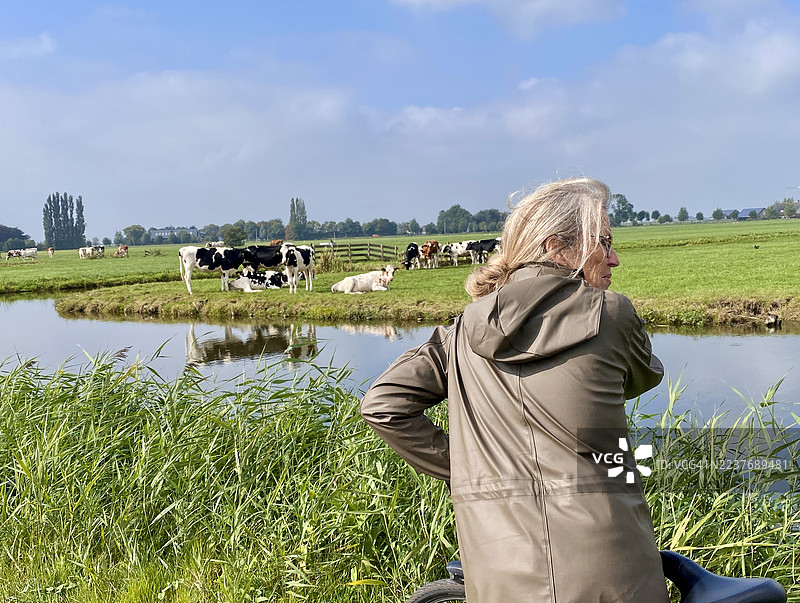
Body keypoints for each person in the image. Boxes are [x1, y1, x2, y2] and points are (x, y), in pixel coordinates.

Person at [360, 177, 669, 602]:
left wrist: (473, 467)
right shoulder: (611, 313)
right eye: (604, 241)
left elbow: (383, 405)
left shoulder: (463, 331)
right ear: (556, 246)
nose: (614, 258)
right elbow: (643, 375)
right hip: (609, 569)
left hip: (497, 573)